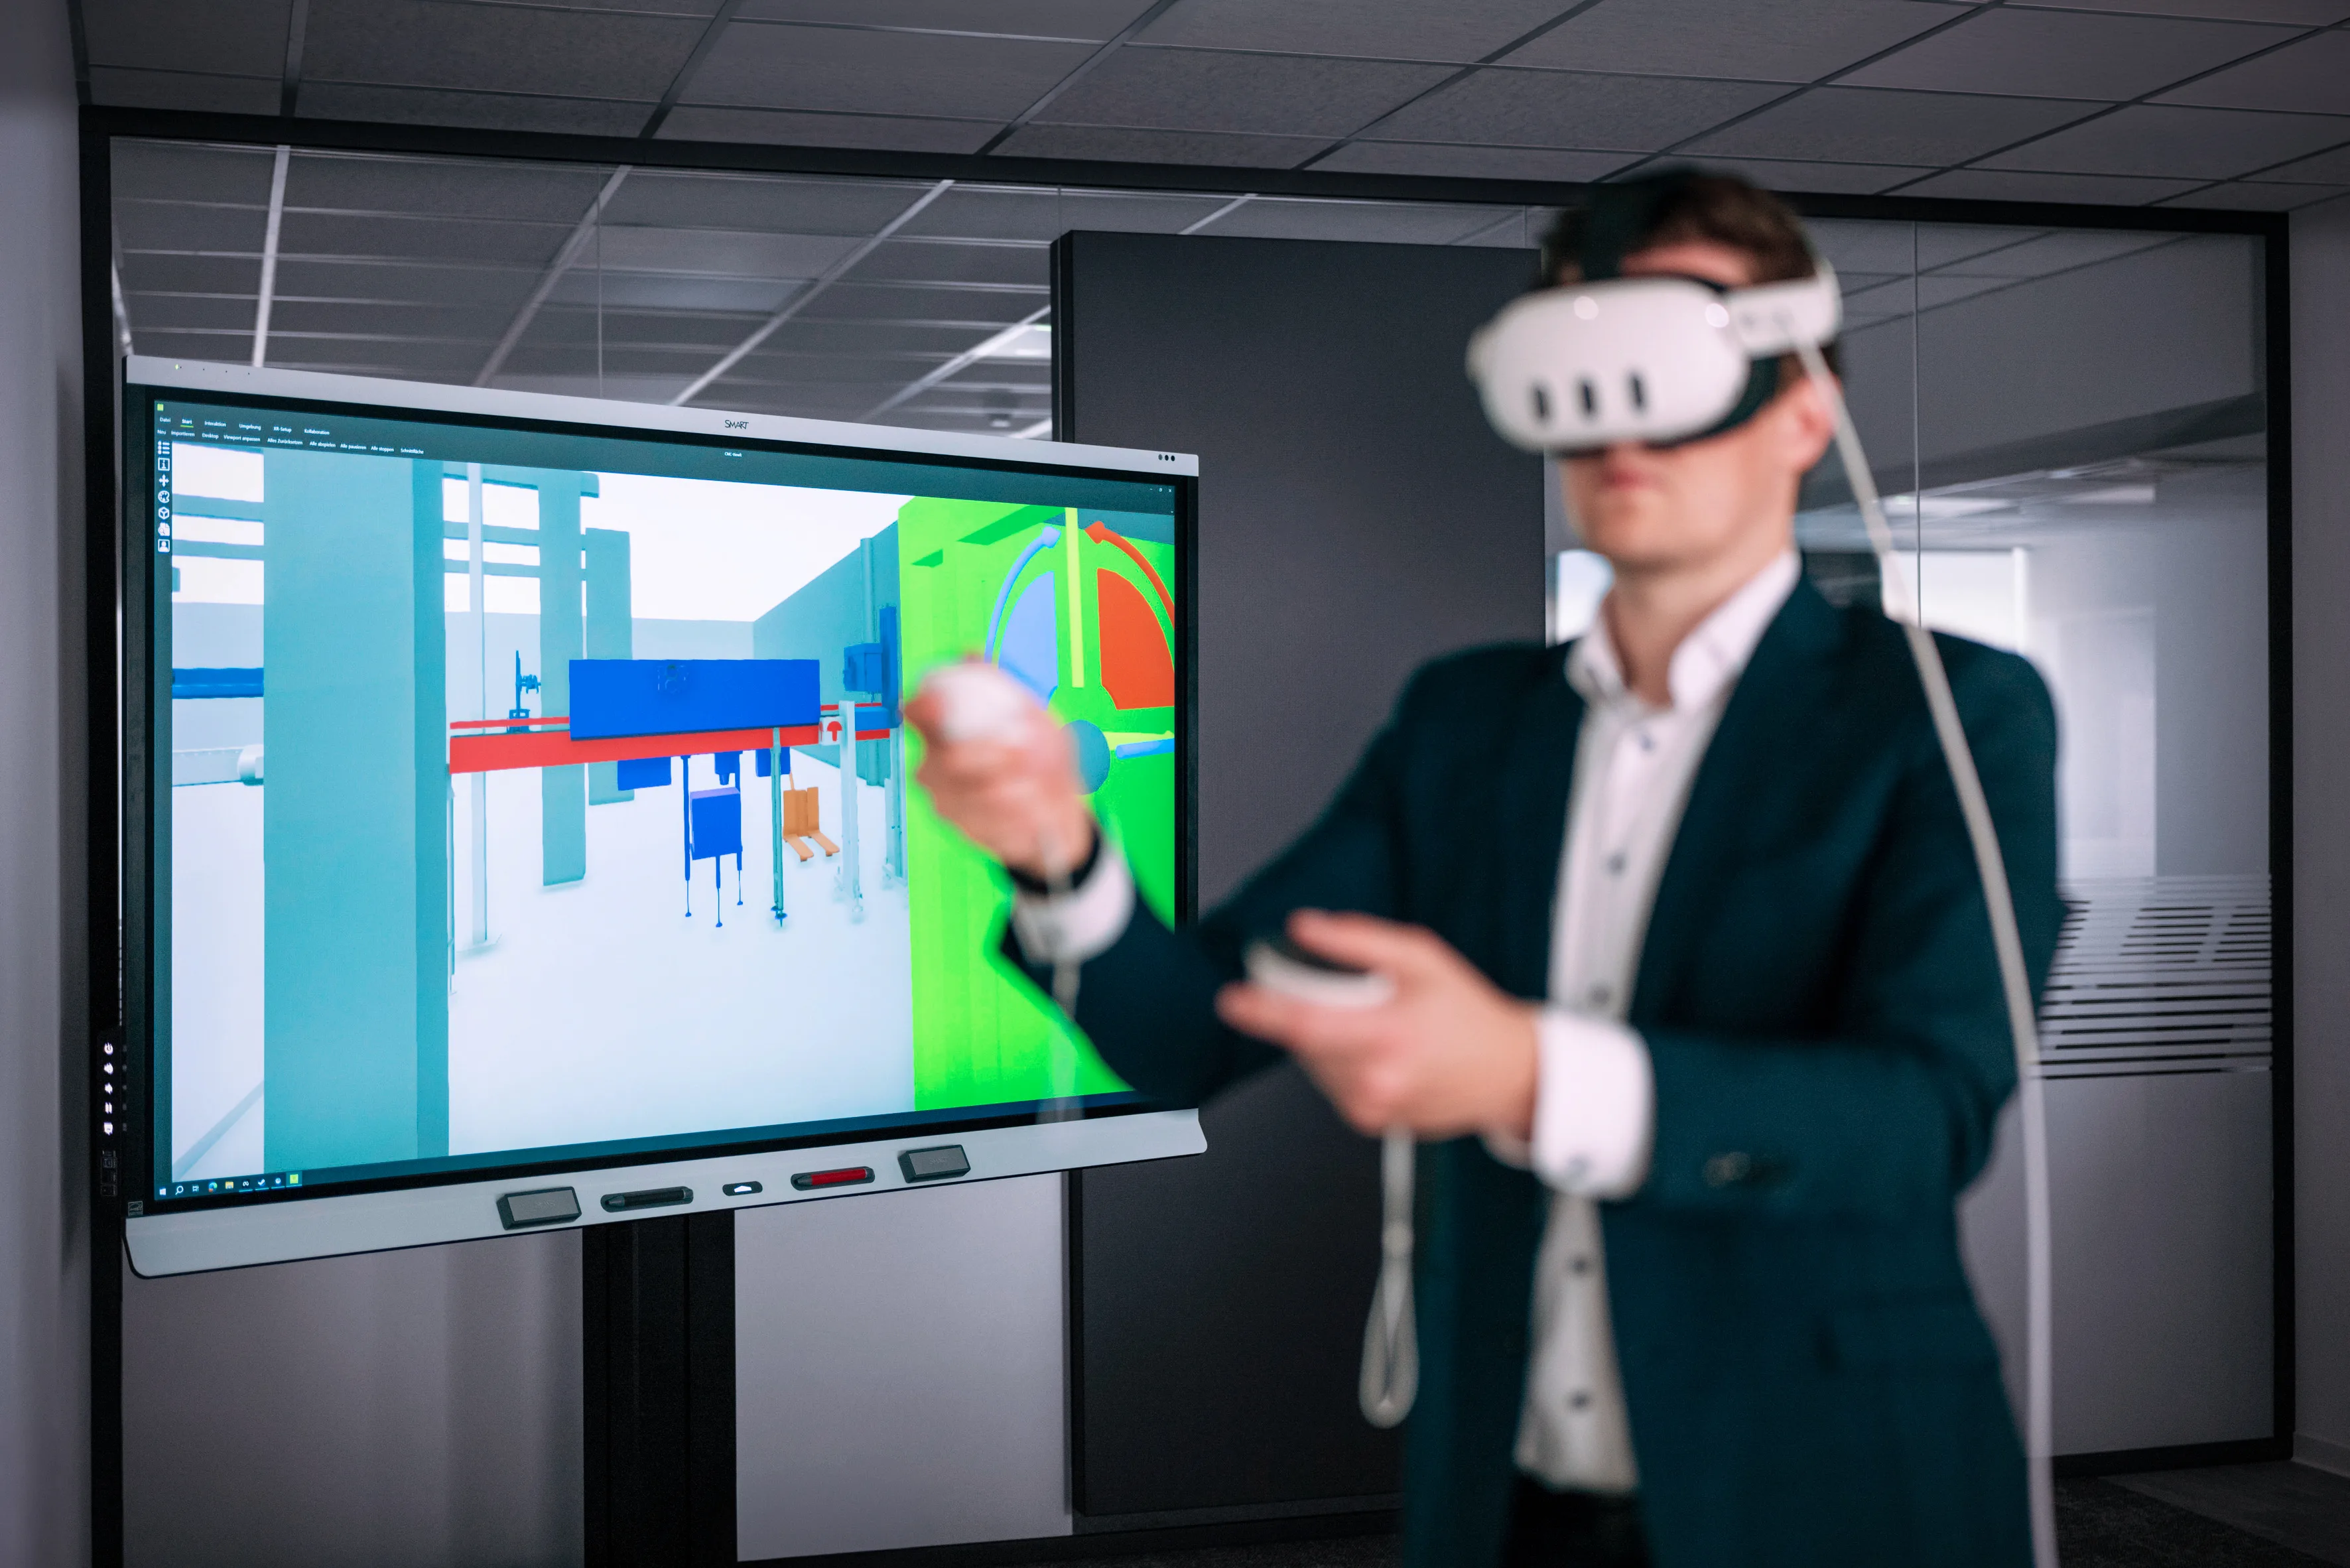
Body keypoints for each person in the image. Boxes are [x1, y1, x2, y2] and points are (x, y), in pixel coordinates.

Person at [904, 171, 2062, 1568]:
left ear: (1802, 412)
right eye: (1580, 359)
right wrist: (1055, 853)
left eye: (1670, 362)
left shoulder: (1942, 715)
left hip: (1830, 1488)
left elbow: (1927, 1113)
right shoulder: (1467, 725)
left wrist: (1525, 1074)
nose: (1620, 419)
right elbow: (1181, 1033)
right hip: (1502, 1504)